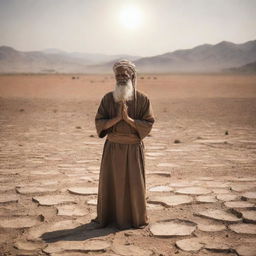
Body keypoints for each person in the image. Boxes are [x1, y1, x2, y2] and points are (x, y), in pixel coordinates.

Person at [92, 59, 155, 230]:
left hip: (133, 149)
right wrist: (116, 119)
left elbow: (148, 124)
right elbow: (99, 122)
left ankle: (134, 218)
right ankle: (109, 218)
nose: (121, 77)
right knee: (110, 184)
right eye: (118, 74)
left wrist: (128, 120)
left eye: (124, 73)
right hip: (112, 148)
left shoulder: (143, 99)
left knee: (134, 185)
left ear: (132, 75)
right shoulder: (107, 99)